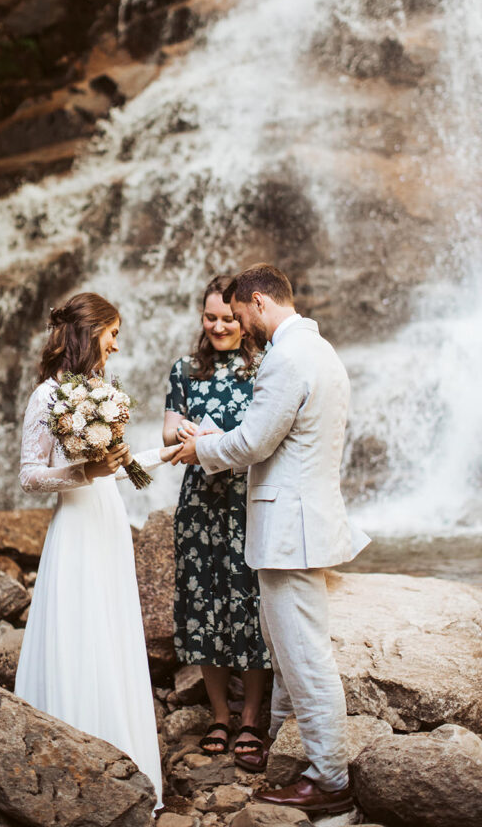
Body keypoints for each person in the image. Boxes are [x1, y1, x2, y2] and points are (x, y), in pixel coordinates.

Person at [173, 264, 370, 815]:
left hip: (291, 532)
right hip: (305, 522)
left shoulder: (285, 357)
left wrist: (200, 449)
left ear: (257, 303)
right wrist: (220, 436)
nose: (239, 325)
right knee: (288, 651)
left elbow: (256, 442)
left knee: (305, 657)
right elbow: (282, 439)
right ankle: (287, 750)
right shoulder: (321, 350)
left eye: (238, 315)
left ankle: (330, 778)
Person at [14, 291, 179, 809]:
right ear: (90, 334)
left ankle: (122, 765)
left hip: (107, 518)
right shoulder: (48, 397)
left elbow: (122, 468)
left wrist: (167, 453)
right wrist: (82, 471)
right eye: (112, 335)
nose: (116, 346)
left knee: (110, 632)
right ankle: (70, 769)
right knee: (79, 630)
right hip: (77, 525)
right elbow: (29, 476)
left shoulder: (102, 389)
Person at [163, 275, 271, 770]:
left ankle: (251, 717)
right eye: (211, 318)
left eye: (229, 318)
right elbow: (168, 431)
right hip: (199, 508)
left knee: (247, 604)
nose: (220, 326)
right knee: (204, 602)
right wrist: (183, 432)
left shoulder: (263, 366)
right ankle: (220, 715)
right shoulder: (184, 370)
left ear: (245, 319)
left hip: (246, 502)